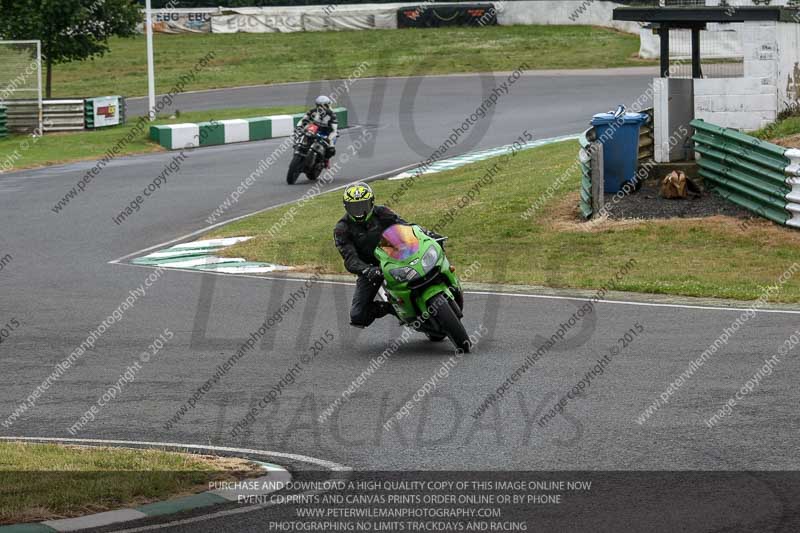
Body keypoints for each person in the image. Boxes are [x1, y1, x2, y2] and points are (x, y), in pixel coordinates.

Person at [334, 182, 441, 328]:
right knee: (358, 315)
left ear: (371, 202)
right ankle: (392, 308)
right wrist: (366, 270)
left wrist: (427, 234)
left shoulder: (382, 212)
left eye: (363, 205)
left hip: (396, 256)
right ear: (346, 207)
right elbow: (350, 259)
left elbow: (405, 226)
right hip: (372, 268)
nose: (359, 211)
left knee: (432, 259)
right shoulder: (342, 228)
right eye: (354, 207)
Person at [296, 95, 338, 167]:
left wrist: (329, 140)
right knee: (303, 134)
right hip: (315, 129)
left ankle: (326, 159)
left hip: (327, 132)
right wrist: (299, 127)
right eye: (327, 104)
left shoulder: (332, 114)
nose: (328, 106)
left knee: (331, 150)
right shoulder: (312, 111)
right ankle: (300, 147)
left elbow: (334, 130)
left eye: (328, 104)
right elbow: (303, 120)